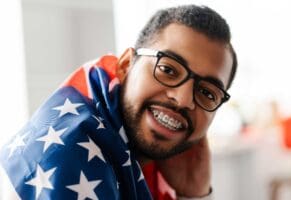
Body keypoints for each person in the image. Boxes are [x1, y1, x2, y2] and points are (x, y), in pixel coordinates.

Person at [0, 4, 237, 200]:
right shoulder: (64, 160)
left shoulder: (134, 160)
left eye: (207, 93)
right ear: (125, 66)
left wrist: (194, 194)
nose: (183, 99)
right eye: (167, 69)